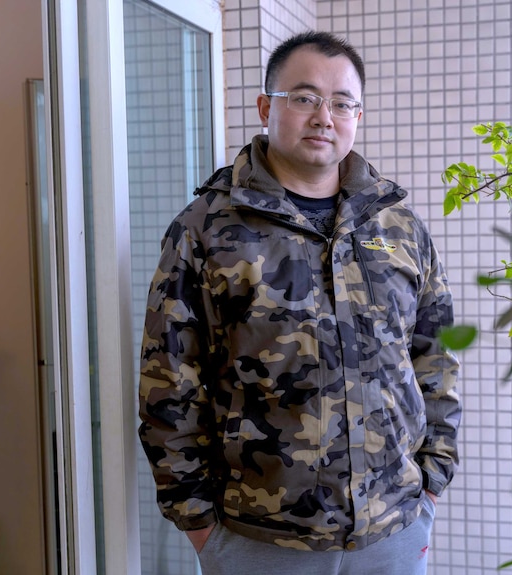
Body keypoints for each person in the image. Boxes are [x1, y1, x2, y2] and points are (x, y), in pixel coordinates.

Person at [138, 30, 462, 575]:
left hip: (395, 529)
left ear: (357, 114)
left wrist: (432, 481)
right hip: (256, 539)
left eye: (342, 103)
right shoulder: (206, 229)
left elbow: (437, 358)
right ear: (267, 106)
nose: (324, 116)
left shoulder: (399, 226)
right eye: (305, 97)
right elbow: (169, 379)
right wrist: (196, 521)